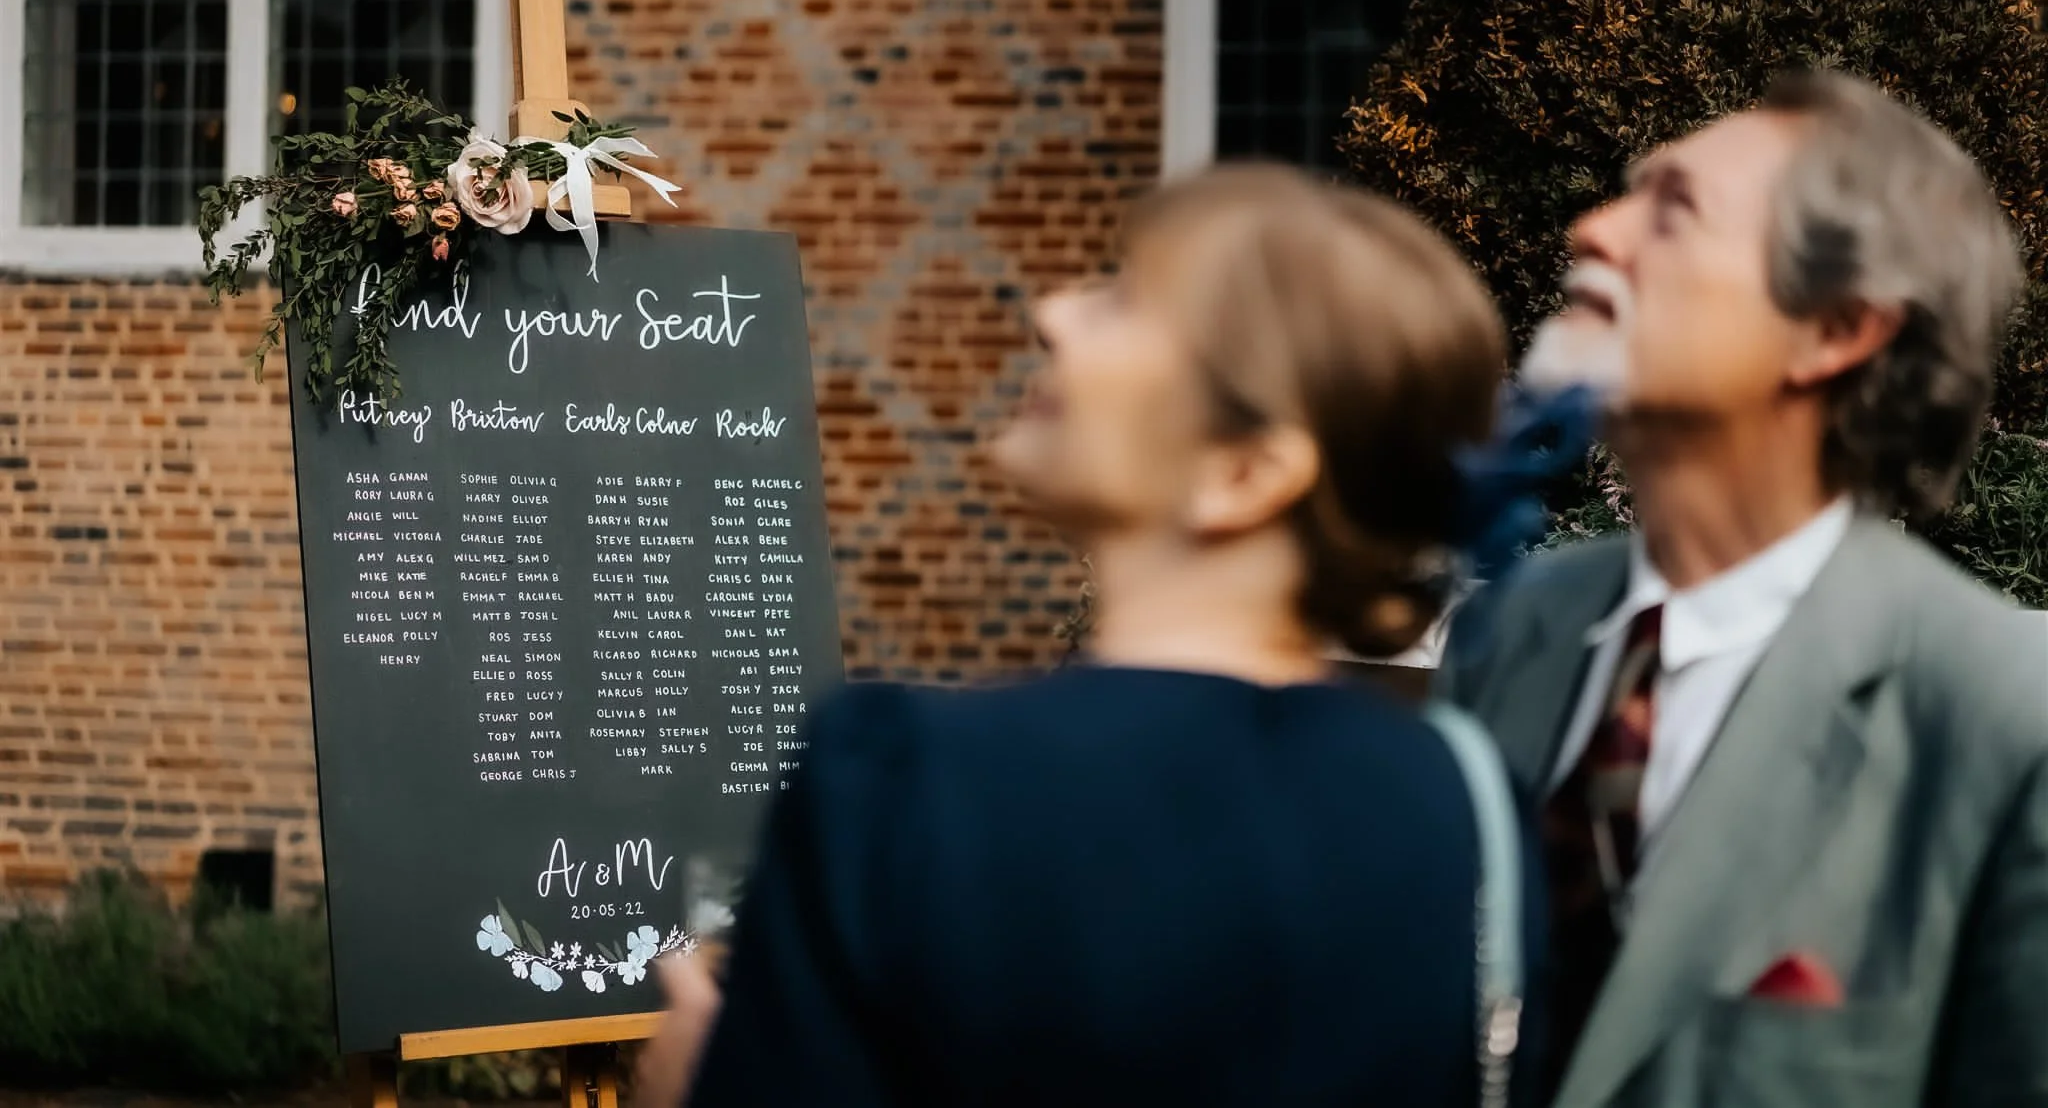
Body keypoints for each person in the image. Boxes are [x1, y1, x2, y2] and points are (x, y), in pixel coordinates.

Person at [638, 164, 1548, 1107]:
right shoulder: (1470, 806)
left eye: (1122, 301)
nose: (1051, 312)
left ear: (1243, 471)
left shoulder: (901, 777)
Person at [1439, 70, 2048, 1108]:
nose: (1594, 228)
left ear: (1834, 330)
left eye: (1671, 208)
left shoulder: (1999, 720)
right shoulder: (1514, 626)